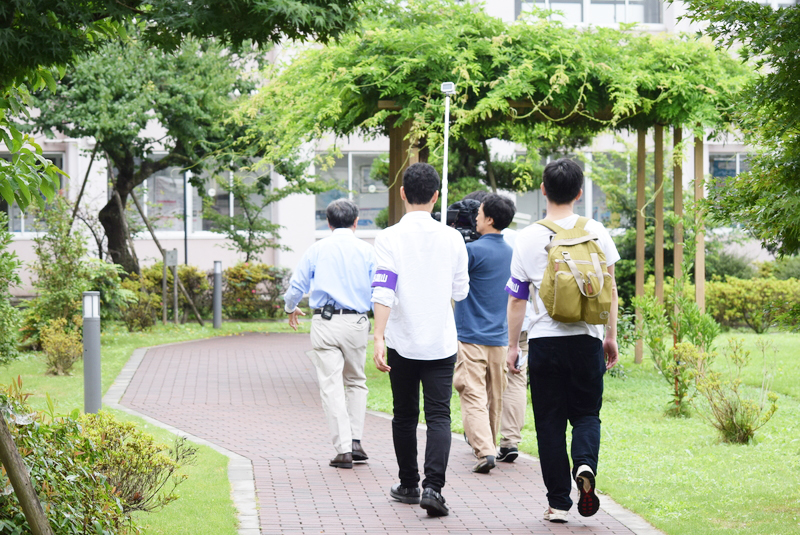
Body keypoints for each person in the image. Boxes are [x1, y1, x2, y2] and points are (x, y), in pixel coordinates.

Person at [505, 158, 619, 524]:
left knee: (550, 423)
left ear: (543, 190)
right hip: (587, 339)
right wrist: (611, 336)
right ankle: (585, 463)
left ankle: (558, 502)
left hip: (545, 342)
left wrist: (513, 346)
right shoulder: (597, 231)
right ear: (580, 192)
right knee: (587, 414)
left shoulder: (527, 237)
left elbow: (516, 298)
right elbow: (611, 289)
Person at [372, 162, 469, 517]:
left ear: (402, 194)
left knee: (404, 415)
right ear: (436, 196)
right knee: (439, 415)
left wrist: (378, 336)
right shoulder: (453, 237)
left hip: (402, 339)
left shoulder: (388, 237)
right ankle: (434, 488)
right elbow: (460, 291)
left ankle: (409, 483)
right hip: (441, 342)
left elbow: (384, 289)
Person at [283, 199, 376, 470]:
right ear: (356, 222)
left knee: (331, 384)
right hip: (357, 321)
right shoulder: (367, 251)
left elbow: (297, 285)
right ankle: (356, 441)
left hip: (324, 321)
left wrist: (290, 307)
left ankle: (343, 449)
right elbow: (377, 290)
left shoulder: (317, 249)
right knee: (356, 380)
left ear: (328, 222)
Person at [453, 193, 516, 474]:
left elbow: (450, 279)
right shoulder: (511, 253)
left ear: (489, 219)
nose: (475, 217)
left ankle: (485, 450)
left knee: (472, 394)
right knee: (495, 398)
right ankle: (488, 444)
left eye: (479, 213)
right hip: (499, 339)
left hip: (470, 336)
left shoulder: (473, 251)